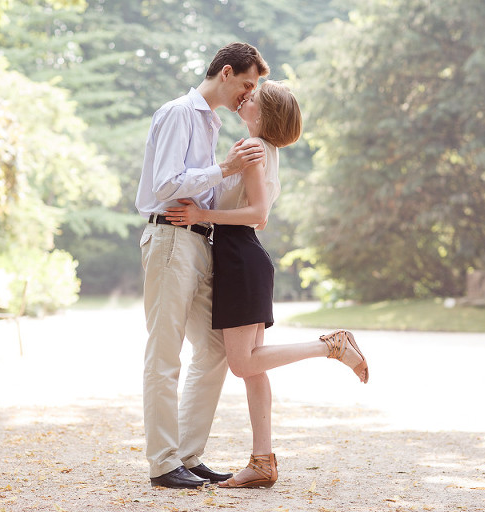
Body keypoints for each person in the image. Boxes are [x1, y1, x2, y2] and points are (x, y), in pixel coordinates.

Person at [164, 80, 369, 489]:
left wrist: (202, 218)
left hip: (241, 260)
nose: (245, 96)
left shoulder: (255, 151)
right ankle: (262, 462)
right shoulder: (259, 150)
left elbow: (257, 213)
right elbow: (261, 216)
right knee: (254, 367)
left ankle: (331, 344)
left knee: (243, 363)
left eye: (253, 96)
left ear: (265, 111)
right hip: (244, 258)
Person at [135, 42, 270, 489]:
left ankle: (187, 456)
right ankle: (161, 464)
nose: (248, 95)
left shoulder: (210, 122)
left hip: (198, 242)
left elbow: (203, 193)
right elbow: (166, 184)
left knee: (213, 349)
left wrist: (228, 175)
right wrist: (224, 168)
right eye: (247, 84)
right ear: (226, 73)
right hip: (171, 237)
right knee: (164, 351)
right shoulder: (179, 112)